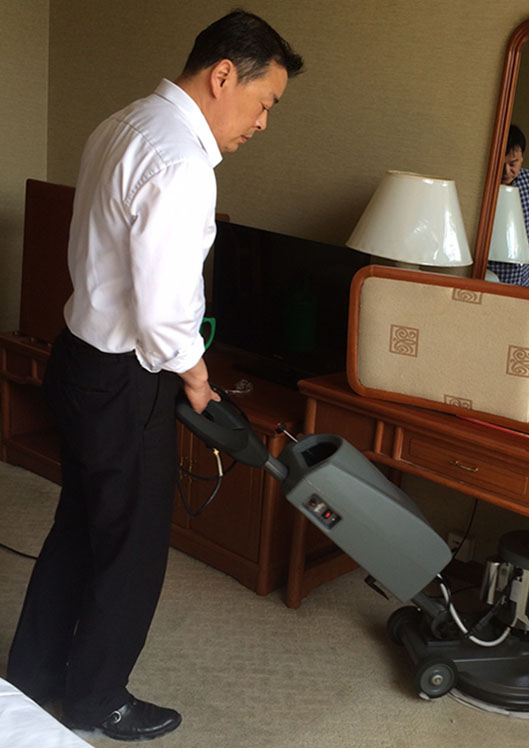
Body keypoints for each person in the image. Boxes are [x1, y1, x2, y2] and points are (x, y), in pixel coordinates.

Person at [6, 10, 302, 742]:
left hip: (78, 359)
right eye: (265, 101)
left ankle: (31, 680)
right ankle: (96, 700)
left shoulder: (123, 123)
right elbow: (165, 310)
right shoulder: (182, 163)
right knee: (132, 551)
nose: (263, 123)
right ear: (224, 75)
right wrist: (197, 378)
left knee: (81, 526)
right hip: (123, 382)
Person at [486, 124, 529, 288]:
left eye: (513, 164)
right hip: (489, 274)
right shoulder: (482, 184)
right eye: (500, 164)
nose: (506, 171)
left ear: (522, 158)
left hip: (522, 277)